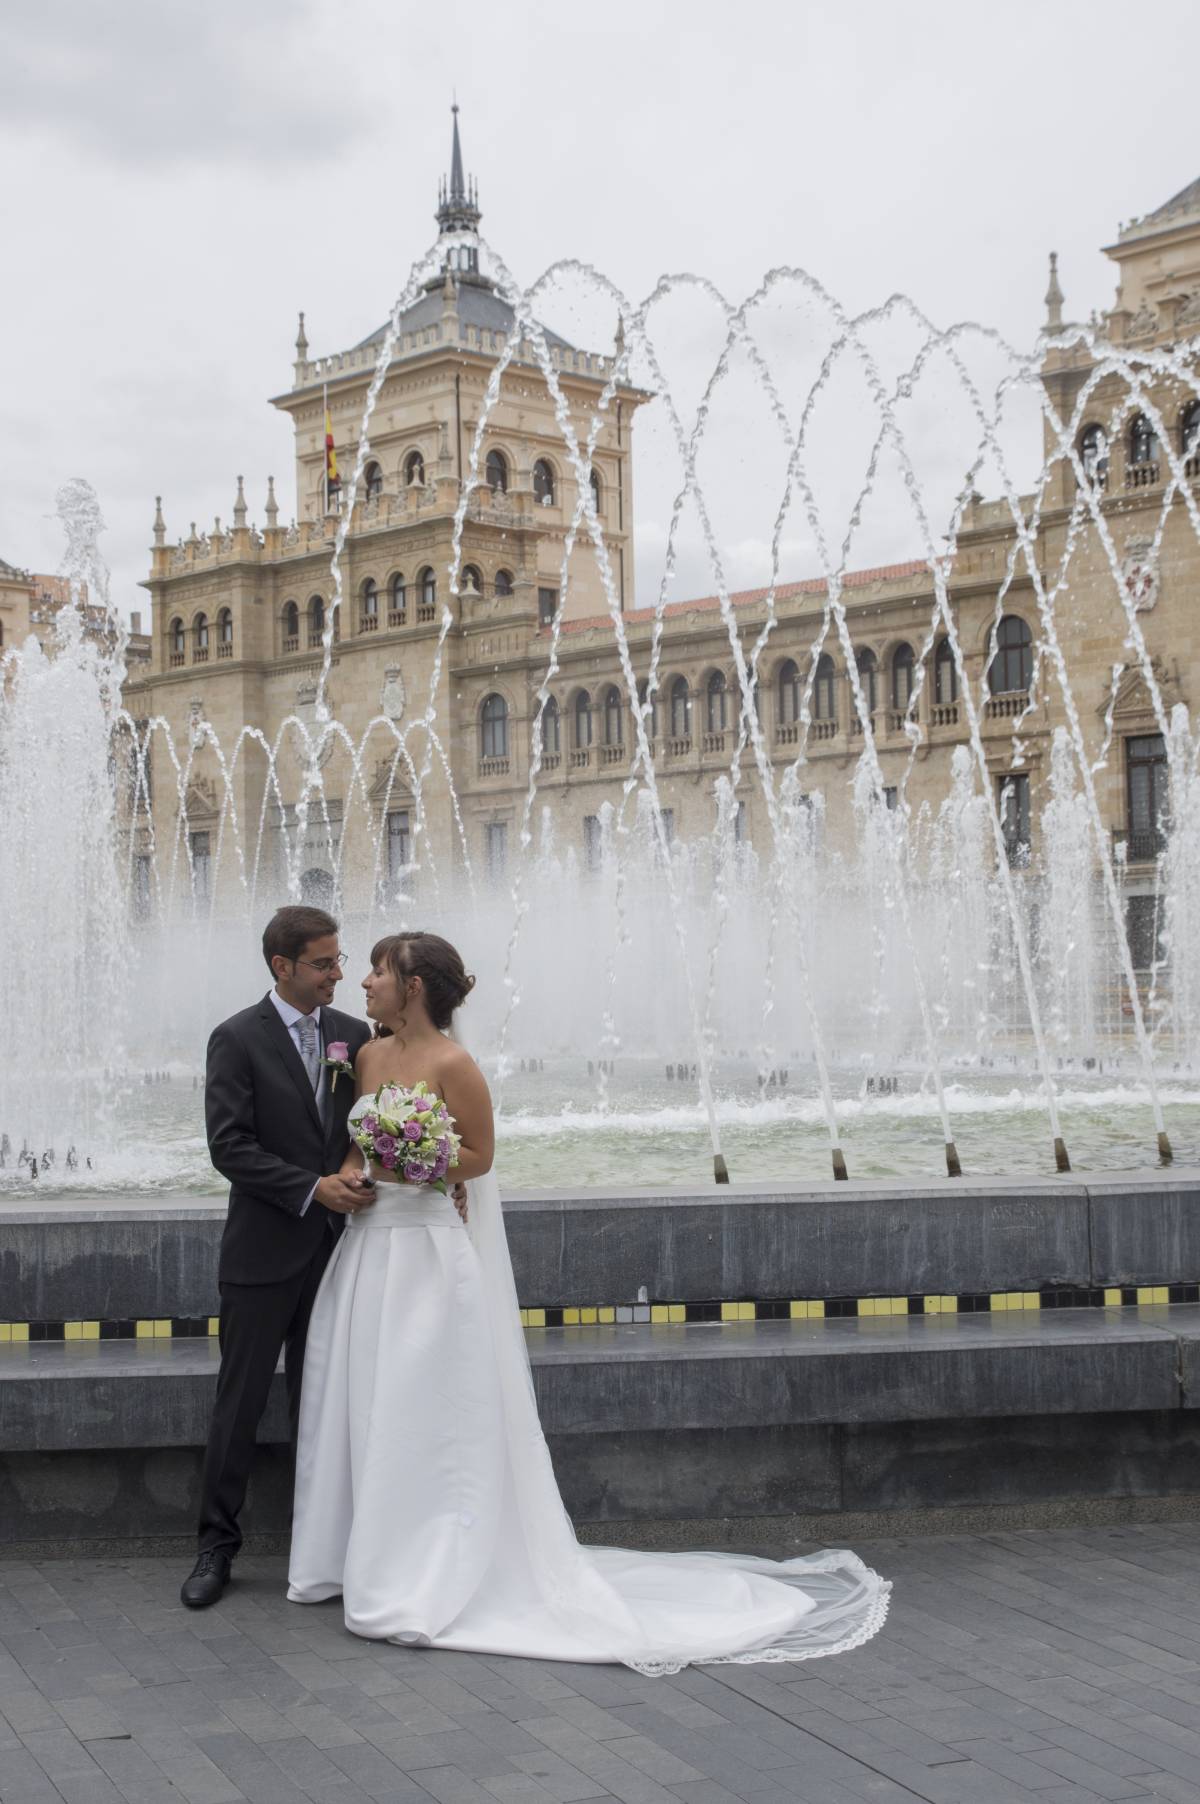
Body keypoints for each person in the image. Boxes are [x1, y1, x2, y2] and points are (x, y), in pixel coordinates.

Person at [287, 931, 891, 1672]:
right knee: (368, 1397)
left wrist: (424, 1158)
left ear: (413, 986)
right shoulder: (371, 1056)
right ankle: (360, 1549)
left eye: (379, 971)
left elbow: (481, 1155)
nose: (366, 982)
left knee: (423, 1401)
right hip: (372, 1245)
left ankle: (427, 1558)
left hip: (429, 1253)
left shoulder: (454, 1064)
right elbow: (356, 1144)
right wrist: (354, 1176)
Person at [181, 905, 466, 1610]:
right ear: (283, 968)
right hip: (264, 1251)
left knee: (330, 1403)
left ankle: (330, 1550)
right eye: (324, 963)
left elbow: (394, 1118)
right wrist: (313, 1188)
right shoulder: (236, 1039)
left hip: (345, 1255)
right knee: (238, 1406)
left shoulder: (356, 1038)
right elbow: (230, 1148)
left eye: (343, 961)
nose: (340, 972)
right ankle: (216, 1547)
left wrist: (438, 1175)